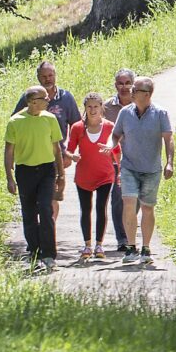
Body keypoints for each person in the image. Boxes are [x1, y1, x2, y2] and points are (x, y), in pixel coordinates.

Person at [111, 75, 175, 268]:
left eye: (135, 90)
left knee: (147, 208)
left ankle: (146, 248)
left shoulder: (161, 113)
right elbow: (115, 134)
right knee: (129, 203)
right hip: (129, 166)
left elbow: (168, 139)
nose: (130, 92)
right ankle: (131, 247)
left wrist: (169, 163)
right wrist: (110, 145)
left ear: (146, 94)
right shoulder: (125, 112)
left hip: (151, 169)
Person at [3, 86, 64, 271]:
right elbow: (9, 151)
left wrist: (61, 174)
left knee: (46, 209)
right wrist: (9, 177)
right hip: (25, 171)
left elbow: (56, 149)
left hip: (46, 170)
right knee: (29, 213)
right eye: (44, 98)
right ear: (32, 101)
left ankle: (48, 254)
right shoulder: (15, 121)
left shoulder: (50, 119)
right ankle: (34, 252)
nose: (48, 100)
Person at [24, 61, 82, 240]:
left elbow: (77, 126)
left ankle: (47, 234)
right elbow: (17, 121)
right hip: (31, 155)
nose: (48, 79)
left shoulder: (66, 98)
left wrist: (69, 152)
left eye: (50, 75)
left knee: (51, 199)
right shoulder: (29, 96)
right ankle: (37, 235)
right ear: (38, 78)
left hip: (56, 156)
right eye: (44, 76)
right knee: (34, 200)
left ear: (55, 75)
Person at [63, 92, 123, 262]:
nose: (92, 109)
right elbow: (69, 148)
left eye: (96, 106)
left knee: (101, 207)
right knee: (86, 209)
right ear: (85, 108)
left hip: (105, 174)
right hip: (84, 175)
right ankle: (87, 245)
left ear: (102, 108)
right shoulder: (77, 128)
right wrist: (71, 156)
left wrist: (119, 172)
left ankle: (99, 245)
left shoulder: (110, 126)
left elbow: (117, 150)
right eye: (89, 106)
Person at [106, 68, 139, 253]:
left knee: (137, 198)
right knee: (118, 197)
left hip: (139, 158)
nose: (124, 87)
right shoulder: (107, 107)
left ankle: (129, 226)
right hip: (115, 160)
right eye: (120, 83)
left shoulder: (141, 104)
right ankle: (122, 237)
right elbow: (92, 126)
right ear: (115, 85)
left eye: (128, 83)